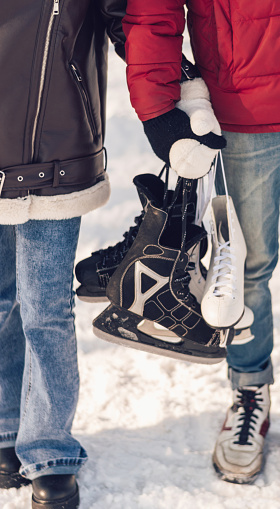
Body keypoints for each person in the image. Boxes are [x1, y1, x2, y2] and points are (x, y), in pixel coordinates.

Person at [118, 0, 280, 500]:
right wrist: (156, 106)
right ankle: (248, 391)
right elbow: (153, 8)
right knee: (242, 265)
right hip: (247, 92)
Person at [0, 2, 127, 508]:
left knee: (45, 307)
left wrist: (175, 84)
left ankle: (50, 450)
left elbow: (127, 17)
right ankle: (7, 426)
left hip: (58, 143)